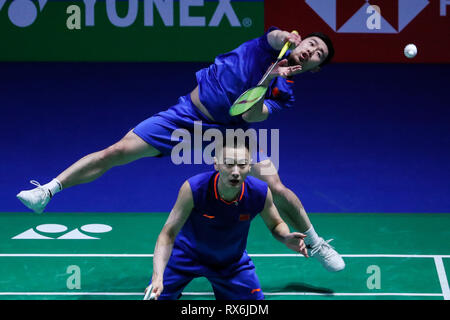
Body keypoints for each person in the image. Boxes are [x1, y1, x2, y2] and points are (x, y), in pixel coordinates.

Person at [17, 26, 345, 272]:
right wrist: (282, 40)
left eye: (318, 54)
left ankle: (315, 243)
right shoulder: (272, 43)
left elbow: (249, 114)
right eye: (312, 43)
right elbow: (274, 36)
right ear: (301, 40)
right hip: (187, 116)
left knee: (275, 186)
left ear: (315, 68)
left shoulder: (284, 90)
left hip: (231, 131)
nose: (311, 50)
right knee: (115, 152)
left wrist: (269, 80)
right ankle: (48, 191)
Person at [145, 140, 309, 300]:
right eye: (229, 164)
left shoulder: (259, 192)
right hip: (186, 256)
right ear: (216, 164)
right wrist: (158, 276)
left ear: (250, 166)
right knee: (156, 294)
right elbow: (168, 234)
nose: (236, 171)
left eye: (242, 165)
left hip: (231, 264)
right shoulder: (194, 188)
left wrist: (285, 237)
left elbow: (276, 224)